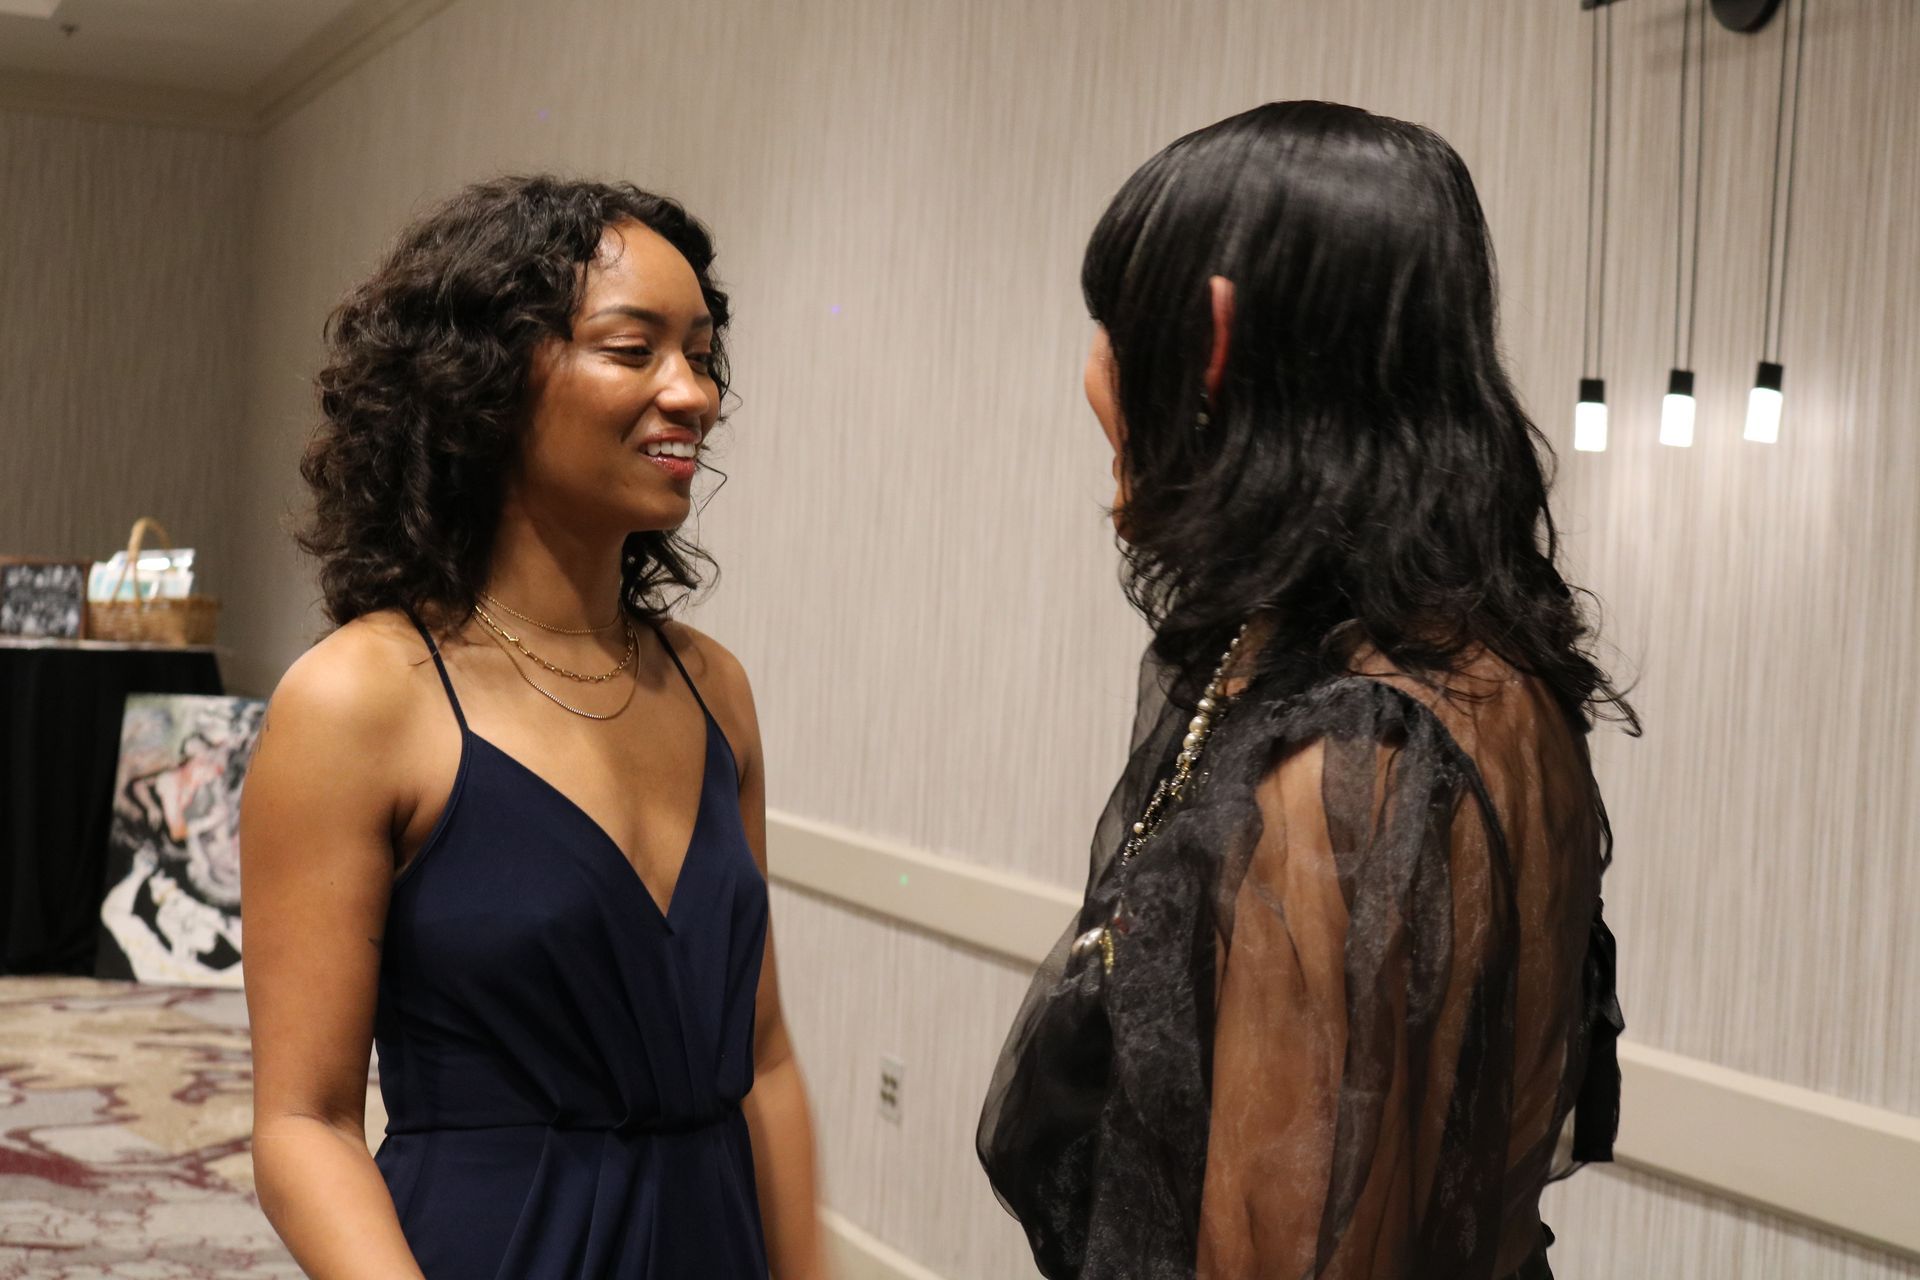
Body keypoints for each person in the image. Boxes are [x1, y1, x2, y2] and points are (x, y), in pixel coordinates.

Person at [978, 102, 1632, 1280]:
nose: (1094, 373)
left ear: (1212, 340)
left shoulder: (1349, 762)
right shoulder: (1491, 670)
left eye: (1115, 325)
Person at [240, 176, 824, 1279]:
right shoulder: (361, 697)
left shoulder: (714, 688)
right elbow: (304, 1124)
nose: (692, 394)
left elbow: (765, 1057)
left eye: (702, 356)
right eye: (633, 349)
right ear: (486, 382)